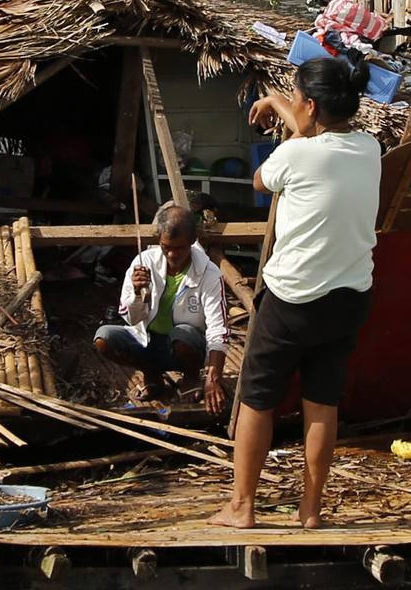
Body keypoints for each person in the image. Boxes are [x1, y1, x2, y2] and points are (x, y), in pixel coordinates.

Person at [211, 57, 380, 530]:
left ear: (309, 104)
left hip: (292, 300)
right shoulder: (370, 149)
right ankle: (311, 508)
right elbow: (318, 131)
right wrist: (281, 103)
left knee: (257, 400)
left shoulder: (294, 155)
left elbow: (261, 180)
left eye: (297, 99)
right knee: (322, 402)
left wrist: (280, 110)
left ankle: (243, 506)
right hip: (348, 297)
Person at [94, 204, 229, 411]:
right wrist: (139, 293)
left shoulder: (210, 274)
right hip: (148, 341)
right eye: (167, 247)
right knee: (104, 338)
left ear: (192, 242)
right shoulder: (144, 263)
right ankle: (152, 373)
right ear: (159, 242)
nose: (172, 254)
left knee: (182, 335)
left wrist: (213, 378)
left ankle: (192, 376)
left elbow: (218, 330)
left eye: (179, 248)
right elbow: (130, 318)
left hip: (185, 344)